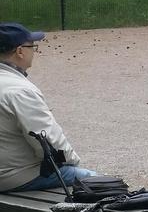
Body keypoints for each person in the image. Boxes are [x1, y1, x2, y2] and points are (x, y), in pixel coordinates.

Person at [0, 23, 105, 193]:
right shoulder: (20, 91)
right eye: (32, 46)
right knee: (100, 182)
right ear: (20, 51)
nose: (34, 51)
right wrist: (72, 162)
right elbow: (47, 142)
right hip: (13, 177)